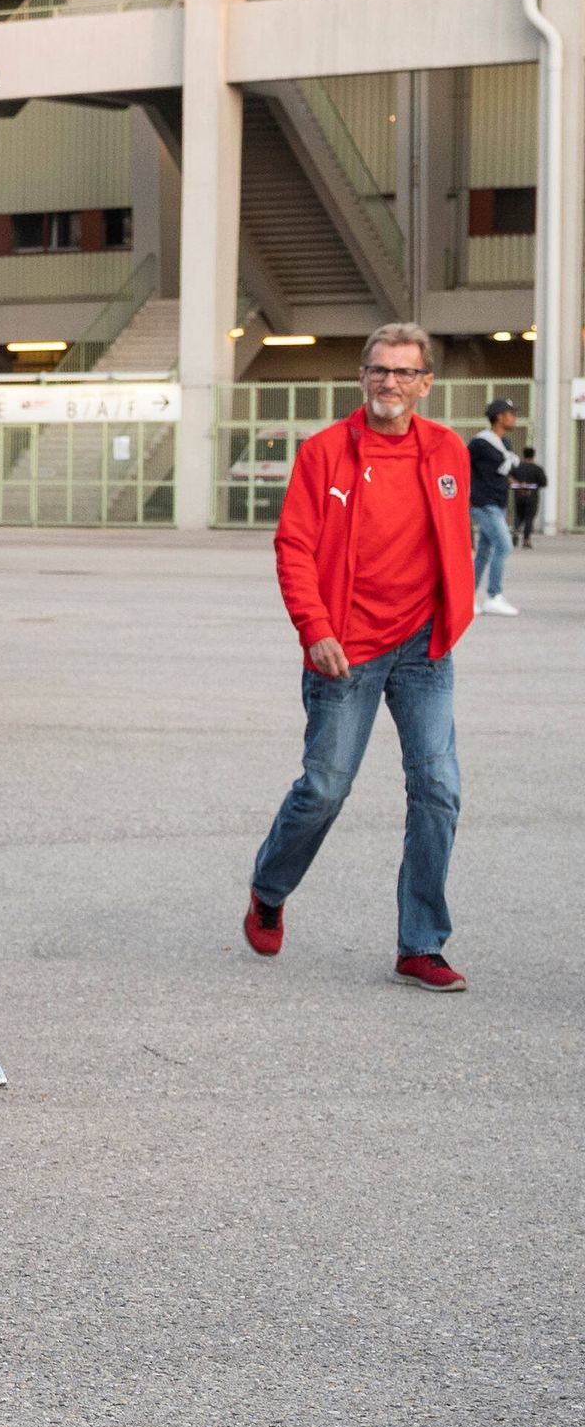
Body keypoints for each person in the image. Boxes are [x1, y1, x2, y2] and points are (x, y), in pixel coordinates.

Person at [243, 323, 477, 993]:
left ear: (425, 384)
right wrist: (315, 628)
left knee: (439, 788)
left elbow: (450, 542)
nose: (390, 384)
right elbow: (293, 546)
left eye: (404, 373)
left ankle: (420, 944)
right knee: (325, 788)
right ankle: (269, 887)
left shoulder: (447, 451)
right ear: (361, 377)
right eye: (379, 371)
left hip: (423, 649)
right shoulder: (324, 453)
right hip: (343, 649)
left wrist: (451, 618)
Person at [468, 399, 522, 614]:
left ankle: (467, 597)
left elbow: (501, 472)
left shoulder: (506, 444)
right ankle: (494, 595)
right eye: (511, 413)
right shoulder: (479, 443)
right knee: (504, 546)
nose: (514, 418)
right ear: (500, 416)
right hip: (483, 503)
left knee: (484, 551)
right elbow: (462, 467)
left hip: (499, 502)